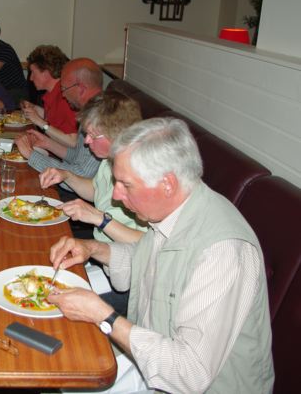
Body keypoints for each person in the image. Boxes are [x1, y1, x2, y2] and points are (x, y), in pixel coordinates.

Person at [48, 117, 274, 393]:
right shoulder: (173, 213)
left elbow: (189, 374)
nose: (116, 195)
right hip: (152, 355)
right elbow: (150, 263)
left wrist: (104, 317)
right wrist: (94, 249)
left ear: (167, 184)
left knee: (66, 369)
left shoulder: (223, 252)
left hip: (193, 383)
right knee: (60, 364)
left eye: (126, 184)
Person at [39, 91, 147, 315]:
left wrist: (100, 219)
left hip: (126, 281)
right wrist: (67, 176)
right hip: (99, 259)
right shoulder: (110, 161)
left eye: (93, 136)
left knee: (47, 299)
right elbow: (97, 190)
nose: (86, 142)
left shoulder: (142, 175)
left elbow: (148, 244)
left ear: (119, 136)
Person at [14, 58, 103, 182]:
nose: (63, 95)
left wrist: (31, 155)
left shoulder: (101, 116)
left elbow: (81, 175)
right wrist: (47, 143)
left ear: (81, 89)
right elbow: (76, 157)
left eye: (64, 89)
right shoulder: (90, 109)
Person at [20, 45, 78, 148]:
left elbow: (73, 142)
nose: (31, 78)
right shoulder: (53, 92)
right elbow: (55, 118)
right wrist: (34, 109)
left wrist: (39, 122)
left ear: (46, 73)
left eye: (33, 72)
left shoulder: (65, 97)